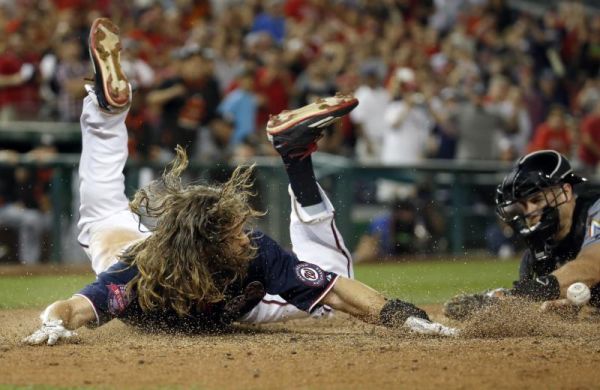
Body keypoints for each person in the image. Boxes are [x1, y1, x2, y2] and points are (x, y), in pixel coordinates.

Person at [24, 18, 456, 346]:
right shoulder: (138, 275)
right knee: (100, 212)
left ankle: (105, 110)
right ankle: (295, 157)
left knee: (100, 209)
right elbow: (74, 309)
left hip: (218, 298)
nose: (247, 238)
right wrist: (53, 325)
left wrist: (404, 315)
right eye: (232, 234)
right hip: (144, 259)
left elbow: (337, 292)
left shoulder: (257, 252)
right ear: (206, 248)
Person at [444, 149, 600, 320]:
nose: (530, 212)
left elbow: (592, 265)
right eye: (522, 206)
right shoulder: (537, 256)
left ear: (566, 191)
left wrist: (522, 294)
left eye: (537, 200)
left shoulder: (595, 209)